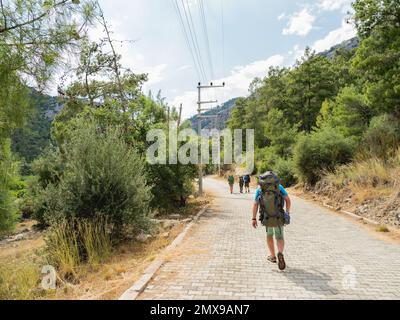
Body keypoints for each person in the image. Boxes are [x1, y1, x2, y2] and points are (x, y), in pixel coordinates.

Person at [251, 171, 291, 271]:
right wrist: (287, 212)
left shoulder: (260, 189)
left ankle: (273, 256)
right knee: (279, 236)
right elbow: (287, 199)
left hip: (266, 216)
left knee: (269, 236)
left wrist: (254, 218)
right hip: (278, 216)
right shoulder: (279, 187)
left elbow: (255, 204)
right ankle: (280, 252)